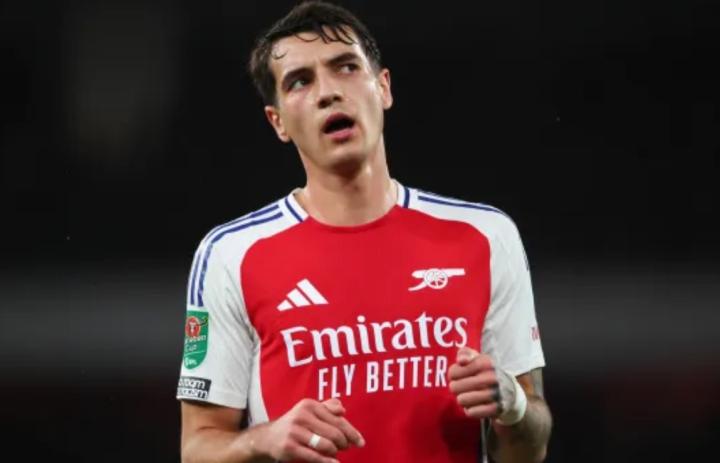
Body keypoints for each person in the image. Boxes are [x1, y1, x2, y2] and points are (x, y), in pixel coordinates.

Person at [176, 1, 552, 462]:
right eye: (300, 81)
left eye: (346, 67)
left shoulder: (485, 236)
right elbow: (198, 446)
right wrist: (264, 439)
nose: (328, 92)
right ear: (278, 122)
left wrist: (515, 407)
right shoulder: (231, 255)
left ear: (384, 87)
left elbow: (530, 447)